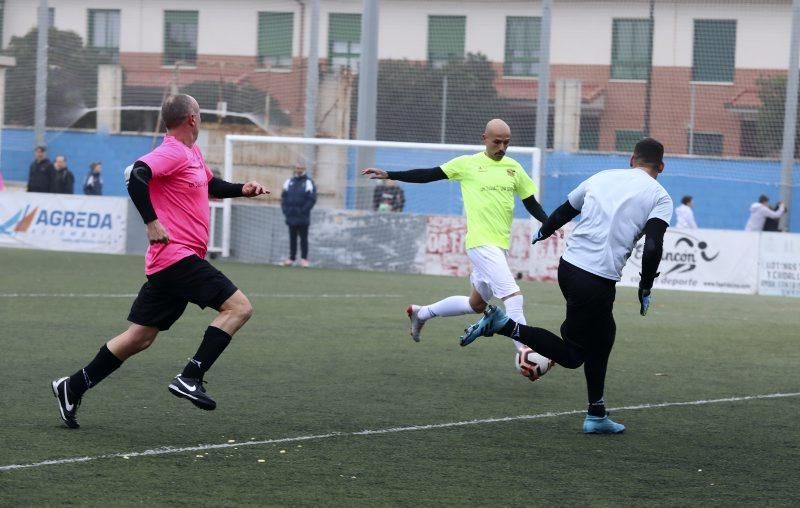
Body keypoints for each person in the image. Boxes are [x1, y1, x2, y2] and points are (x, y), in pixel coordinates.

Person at [50, 94, 269, 429]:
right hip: (176, 256)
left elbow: (211, 184)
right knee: (238, 308)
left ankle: (72, 386)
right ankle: (191, 376)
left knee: (140, 337)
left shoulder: (191, 153)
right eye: (200, 112)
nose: (201, 118)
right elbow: (137, 174)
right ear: (192, 119)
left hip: (171, 262)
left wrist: (244, 189)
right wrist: (151, 222)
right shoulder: (172, 151)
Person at [460, 138, 673, 434]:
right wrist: (646, 286)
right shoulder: (660, 196)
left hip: (569, 267)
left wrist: (543, 231)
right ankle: (504, 325)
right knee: (573, 355)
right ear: (661, 166)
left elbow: (564, 210)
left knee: (603, 335)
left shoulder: (601, 177)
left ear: (631, 159)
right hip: (595, 279)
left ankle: (596, 413)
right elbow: (652, 248)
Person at [361, 118, 549, 365]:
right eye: (497, 142)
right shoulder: (467, 164)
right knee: (514, 297)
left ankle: (422, 313)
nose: (502, 147)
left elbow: (530, 201)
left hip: (499, 247)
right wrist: (389, 174)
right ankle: (526, 353)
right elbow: (428, 174)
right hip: (481, 245)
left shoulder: (514, 168)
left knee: (477, 304)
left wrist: (549, 223)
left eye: (506, 143)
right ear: (484, 139)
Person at [280, 162, 317, 267]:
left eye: (301, 168)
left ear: (304, 169)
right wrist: (286, 210)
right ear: (295, 169)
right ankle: (291, 258)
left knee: (303, 238)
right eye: (297, 167)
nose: (299, 169)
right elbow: (284, 197)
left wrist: (303, 210)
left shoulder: (308, 182)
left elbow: (312, 199)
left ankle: (304, 259)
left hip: (303, 216)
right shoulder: (289, 182)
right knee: (292, 238)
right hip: (291, 216)